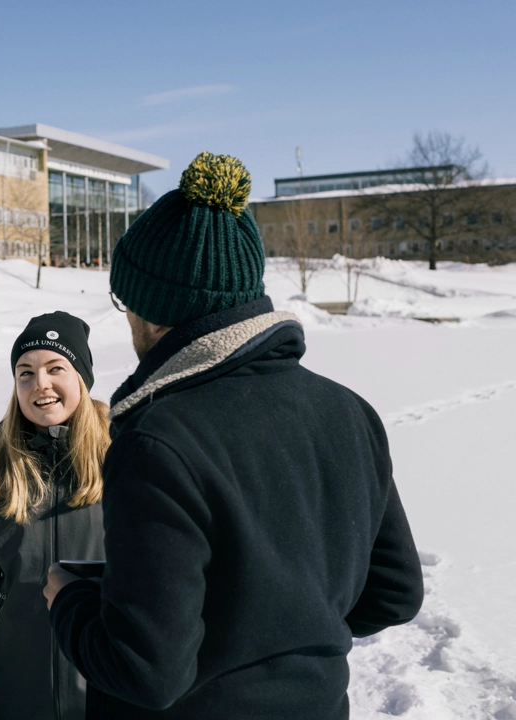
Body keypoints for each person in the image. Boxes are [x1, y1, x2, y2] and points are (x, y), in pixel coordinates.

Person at [43, 152, 424, 719]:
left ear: (152, 311)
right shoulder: (350, 410)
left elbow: (145, 670)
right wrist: (284, 630)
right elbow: (393, 593)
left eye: (124, 303)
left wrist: (67, 600)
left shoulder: (158, 443)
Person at [0, 311, 112, 720]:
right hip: (19, 689)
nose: (41, 385)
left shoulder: (124, 459)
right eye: (26, 373)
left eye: (56, 368)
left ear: (82, 379)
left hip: (108, 685)